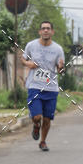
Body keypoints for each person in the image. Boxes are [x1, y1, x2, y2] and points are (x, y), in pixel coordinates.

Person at [21, 21, 65, 152]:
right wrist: (28, 64)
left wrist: (61, 67)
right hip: (34, 86)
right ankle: (36, 125)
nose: (46, 30)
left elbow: (60, 69)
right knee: (37, 117)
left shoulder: (58, 49)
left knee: (46, 119)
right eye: (43, 28)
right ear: (40, 31)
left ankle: (43, 141)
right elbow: (23, 59)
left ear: (52, 32)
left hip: (51, 88)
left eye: (48, 28)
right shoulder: (31, 45)